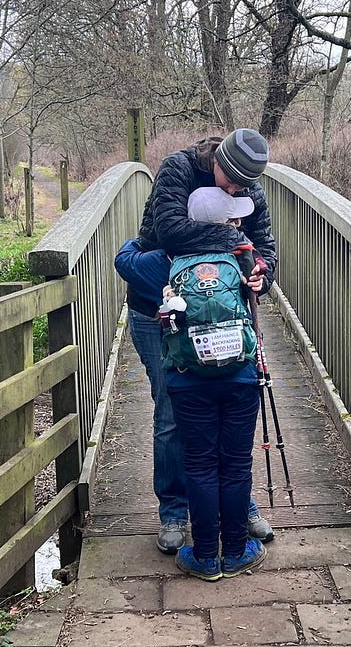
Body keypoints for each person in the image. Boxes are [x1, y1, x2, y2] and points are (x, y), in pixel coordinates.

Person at [115, 129, 278, 555]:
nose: (236, 190)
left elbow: (263, 247)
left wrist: (261, 273)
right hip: (159, 309)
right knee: (171, 411)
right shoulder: (179, 168)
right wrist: (230, 240)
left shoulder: (250, 192)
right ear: (217, 160)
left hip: (224, 312)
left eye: (245, 185)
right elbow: (169, 231)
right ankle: (173, 509)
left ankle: (238, 504)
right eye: (230, 181)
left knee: (226, 409)